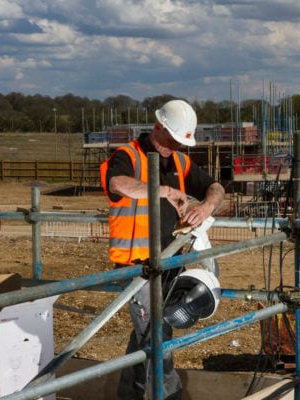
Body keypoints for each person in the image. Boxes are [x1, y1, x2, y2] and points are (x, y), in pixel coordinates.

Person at [99, 99, 225, 400]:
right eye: (170, 140)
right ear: (157, 127)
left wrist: (205, 207)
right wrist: (164, 190)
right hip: (138, 267)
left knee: (149, 334)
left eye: (179, 143)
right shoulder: (127, 156)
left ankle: (129, 395)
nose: (174, 147)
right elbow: (118, 184)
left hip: (171, 264)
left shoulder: (180, 162)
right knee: (157, 339)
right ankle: (171, 396)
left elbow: (216, 187)